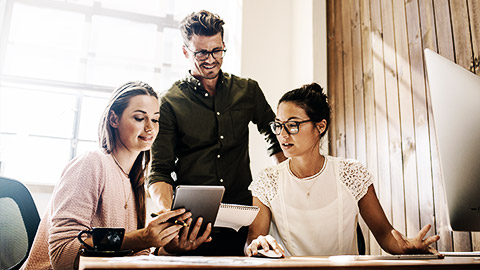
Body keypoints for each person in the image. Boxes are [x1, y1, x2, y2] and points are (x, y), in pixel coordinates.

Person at [245, 83, 441, 257]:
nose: (282, 134)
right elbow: (253, 241)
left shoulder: (351, 173)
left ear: (320, 126)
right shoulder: (267, 180)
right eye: (278, 125)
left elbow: (385, 235)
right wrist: (257, 245)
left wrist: (407, 246)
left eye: (293, 125)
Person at [147, 10, 286, 256]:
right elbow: (159, 171)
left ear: (223, 46)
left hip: (242, 223)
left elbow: (276, 135)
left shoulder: (248, 91)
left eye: (216, 50)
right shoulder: (168, 102)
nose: (210, 59)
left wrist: (287, 184)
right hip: (192, 227)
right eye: (201, 52)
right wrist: (171, 218)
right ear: (185, 52)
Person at [21, 81, 190, 269]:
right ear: (113, 119)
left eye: (155, 119)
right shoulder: (91, 163)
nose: (150, 128)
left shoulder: (134, 179)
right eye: (139, 118)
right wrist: (140, 238)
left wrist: (166, 248)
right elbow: (63, 253)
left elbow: (133, 254)